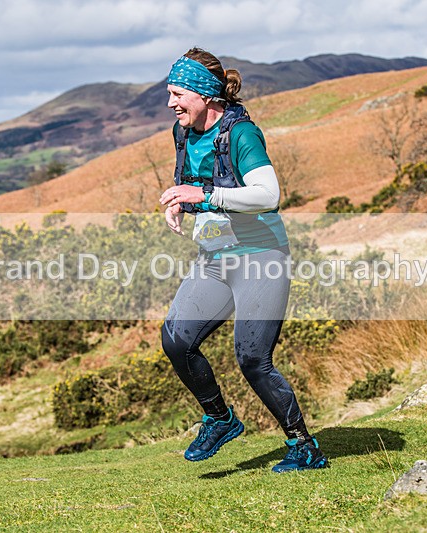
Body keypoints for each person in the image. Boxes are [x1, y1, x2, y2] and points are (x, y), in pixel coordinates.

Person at [159, 48, 327, 473]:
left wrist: (203, 196)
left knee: (252, 358)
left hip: (260, 257)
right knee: (177, 340)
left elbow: (268, 195)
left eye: (177, 93)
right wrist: (181, 203)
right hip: (215, 257)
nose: (171, 103)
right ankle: (220, 419)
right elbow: (201, 185)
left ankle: (304, 447)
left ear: (204, 94)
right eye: (169, 93)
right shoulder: (184, 132)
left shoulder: (241, 134)